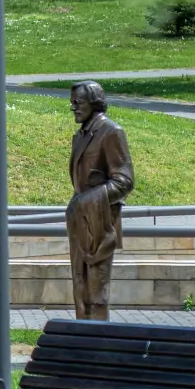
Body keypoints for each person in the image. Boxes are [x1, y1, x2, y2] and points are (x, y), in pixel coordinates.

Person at [66, 80, 134, 320]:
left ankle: (97, 344)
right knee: (81, 287)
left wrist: (87, 200)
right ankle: (83, 341)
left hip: (99, 222)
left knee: (97, 292)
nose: (73, 107)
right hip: (79, 221)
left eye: (78, 102)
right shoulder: (82, 134)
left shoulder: (111, 132)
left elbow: (124, 181)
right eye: (72, 102)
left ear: (94, 103)